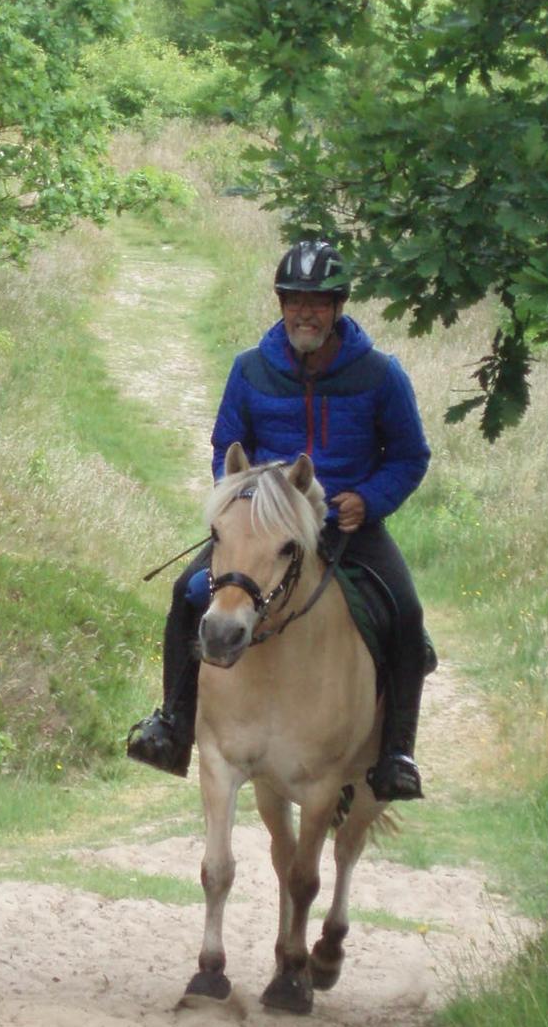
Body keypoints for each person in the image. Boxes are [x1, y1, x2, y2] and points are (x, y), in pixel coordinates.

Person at [126, 238, 431, 801]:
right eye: (293, 300)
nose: (303, 312)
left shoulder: (380, 375)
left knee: (406, 615)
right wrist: (248, 502)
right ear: (281, 303)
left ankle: (396, 753)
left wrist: (370, 498)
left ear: (338, 306)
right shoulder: (250, 370)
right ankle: (172, 725)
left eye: (316, 302)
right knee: (189, 592)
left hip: (346, 527)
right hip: (265, 530)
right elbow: (226, 448)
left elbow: (411, 456)